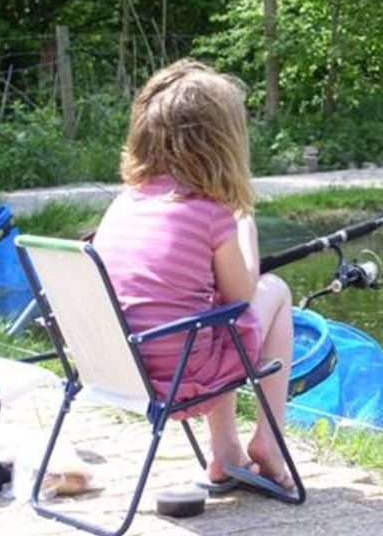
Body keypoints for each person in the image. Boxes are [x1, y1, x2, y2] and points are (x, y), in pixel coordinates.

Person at [93, 59, 294, 491]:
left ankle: (225, 452)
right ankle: (270, 442)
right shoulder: (211, 213)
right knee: (274, 292)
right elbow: (242, 297)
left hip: (120, 368)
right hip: (182, 376)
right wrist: (244, 221)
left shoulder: (124, 202)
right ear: (222, 143)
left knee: (208, 313)